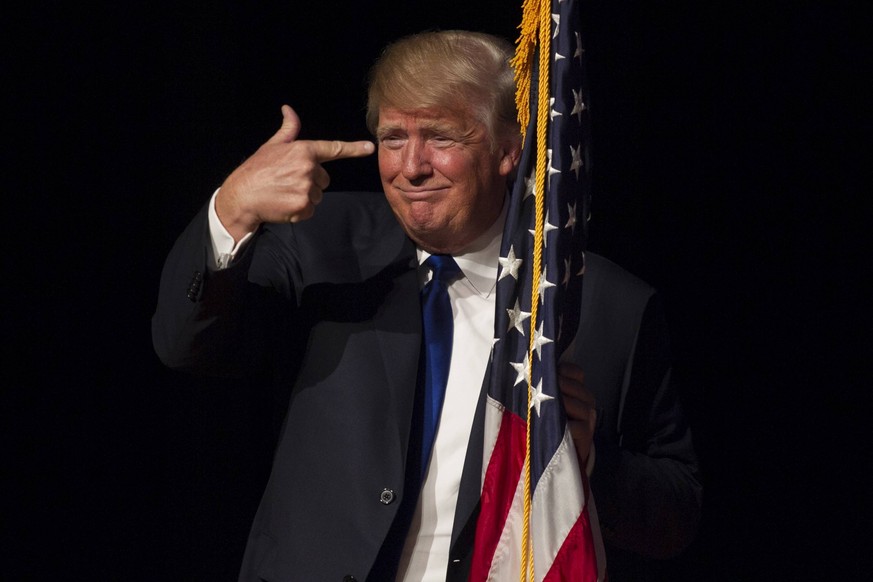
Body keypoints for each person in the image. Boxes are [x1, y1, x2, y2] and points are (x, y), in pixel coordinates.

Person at [153, 30, 701, 581]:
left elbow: (675, 514)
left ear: (509, 149)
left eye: (440, 137)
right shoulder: (319, 244)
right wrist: (232, 209)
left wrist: (587, 461)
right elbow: (185, 345)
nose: (410, 166)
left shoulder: (607, 304)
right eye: (392, 138)